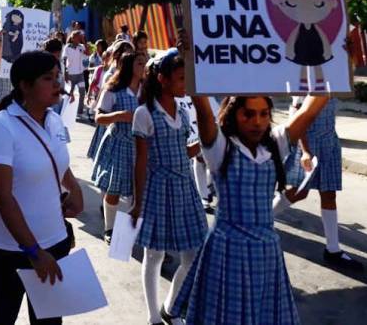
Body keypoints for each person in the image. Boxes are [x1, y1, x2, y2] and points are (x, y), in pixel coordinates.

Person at [170, 92, 331, 325]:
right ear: (234, 115)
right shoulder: (219, 147)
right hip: (227, 251)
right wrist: (191, 63)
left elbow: (309, 111)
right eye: (248, 114)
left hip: (265, 252)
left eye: (264, 114)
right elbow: (203, 110)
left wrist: (338, 67)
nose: (257, 121)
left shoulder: (276, 143)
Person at [0, 51, 84, 325]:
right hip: (8, 249)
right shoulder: (1, 127)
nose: (57, 83)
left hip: (55, 240)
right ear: (24, 85)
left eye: (58, 76)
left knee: (48, 319)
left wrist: (75, 190)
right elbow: (3, 197)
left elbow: (59, 164)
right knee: (3, 316)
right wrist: (34, 252)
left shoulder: (54, 119)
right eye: (48, 78)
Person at [131, 50, 207, 325]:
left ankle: (170, 306)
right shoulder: (144, 113)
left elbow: (182, 151)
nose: (185, 83)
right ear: (162, 79)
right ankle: (153, 317)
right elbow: (140, 162)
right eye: (181, 78)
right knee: (154, 255)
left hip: (185, 187)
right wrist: (137, 203)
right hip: (158, 189)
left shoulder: (184, 111)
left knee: (194, 254)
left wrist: (208, 140)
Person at [274, 97, 364, 270]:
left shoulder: (330, 83)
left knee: (329, 193)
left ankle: (333, 249)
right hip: (307, 145)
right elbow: (297, 121)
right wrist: (306, 152)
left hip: (330, 143)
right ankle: (261, 219)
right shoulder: (303, 86)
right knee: (299, 192)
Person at [91, 51, 146, 243]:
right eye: (140, 63)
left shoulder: (146, 90)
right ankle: (110, 229)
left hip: (141, 146)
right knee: (114, 190)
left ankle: (135, 231)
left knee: (138, 190)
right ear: (129, 66)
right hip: (119, 143)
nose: (144, 67)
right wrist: (119, 116)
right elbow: (98, 118)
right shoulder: (113, 90)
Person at [62, 30, 88, 118]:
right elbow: (64, 60)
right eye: (77, 37)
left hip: (80, 74)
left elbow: (87, 53)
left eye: (79, 37)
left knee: (82, 92)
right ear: (72, 38)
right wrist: (65, 72)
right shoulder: (67, 47)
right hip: (71, 74)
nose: (78, 38)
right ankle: (66, 111)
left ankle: (79, 112)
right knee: (70, 93)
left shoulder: (81, 46)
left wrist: (84, 41)